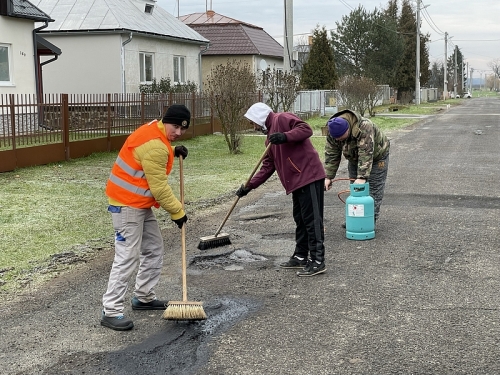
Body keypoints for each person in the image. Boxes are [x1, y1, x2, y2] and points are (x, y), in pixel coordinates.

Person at [100, 104, 190, 331]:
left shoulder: (155, 131)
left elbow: (153, 155)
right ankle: (110, 311)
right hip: (126, 205)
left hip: (139, 203)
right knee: (127, 256)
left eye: (183, 129)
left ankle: (143, 297)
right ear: (166, 121)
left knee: (154, 248)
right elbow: (159, 188)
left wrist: (173, 149)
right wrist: (177, 212)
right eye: (175, 126)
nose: (178, 132)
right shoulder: (156, 146)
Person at [236, 102, 327, 277]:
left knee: (312, 220)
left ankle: (318, 260)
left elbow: (306, 129)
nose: (253, 126)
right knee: (300, 220)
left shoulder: (281, 118)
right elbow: (267, 167)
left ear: (259, 117)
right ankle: (301, 256)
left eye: (253, 122)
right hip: (296, 182)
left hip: (309, 176)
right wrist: (249, 186)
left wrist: (285, 136)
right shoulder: (269, 139)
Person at [324, 109, 390, 224]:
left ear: (348, 129)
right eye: (336, 138)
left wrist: (362, 177)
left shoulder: (364, 126)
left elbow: (366, 153)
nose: (338, 140)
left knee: (374, 189)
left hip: (377, 157)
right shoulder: (331, 131)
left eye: (341, 137)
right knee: (356, 190)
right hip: (354, 158)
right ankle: (355, 218)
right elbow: (332, 154)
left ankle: (369, 220)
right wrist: (328, 177)